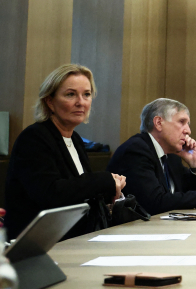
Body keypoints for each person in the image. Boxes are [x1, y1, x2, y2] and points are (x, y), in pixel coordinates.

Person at [4, 64, 126, 240]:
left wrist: (111, 191)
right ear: (50, 102)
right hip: (37, 243)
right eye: (70, 94)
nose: (81, 102)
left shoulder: (75, 139)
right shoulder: (33, 138)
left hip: (74, 238)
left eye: (86, 94)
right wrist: (103, 180)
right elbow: (50, 193)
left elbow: (79, 193)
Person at [107, 98, 196, 216]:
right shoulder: (136, 150)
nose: (188, 131)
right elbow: (154, 203)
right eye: (181, 122)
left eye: (188, 124)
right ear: (158, 123)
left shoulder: (170, 156)